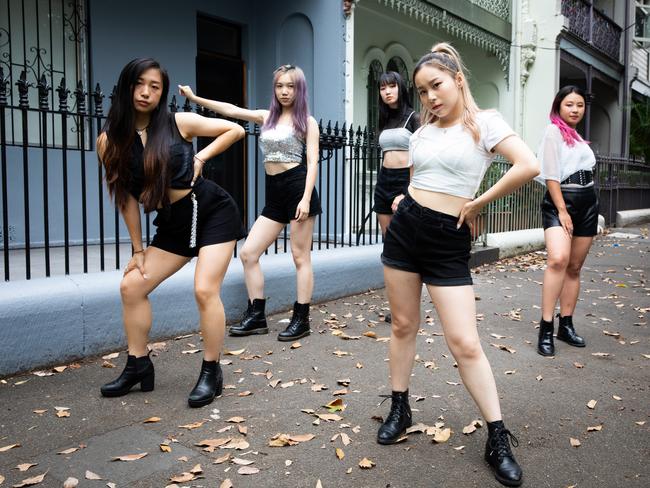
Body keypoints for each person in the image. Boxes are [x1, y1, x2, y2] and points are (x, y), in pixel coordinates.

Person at [378, 44, 539, 487]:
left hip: (448, 238)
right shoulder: (422, 131)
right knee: (403, 326)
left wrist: (479, 202)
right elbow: (416, 180)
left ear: (457, 80)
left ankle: (497, 435)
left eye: (437, 85)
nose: (430, 97)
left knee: (465, 342)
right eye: (423, 90)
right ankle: (400, 406)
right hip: (406, 231)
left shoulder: (486, 123)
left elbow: (528, 165)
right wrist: (402, 200)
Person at [97, 58, 246, 408]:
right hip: (173, 224)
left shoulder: (178, 123)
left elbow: (234, 130)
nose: (147, 92)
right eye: (140, 84)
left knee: (204, 288)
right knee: (132, 285)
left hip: (212, 212)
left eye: (155, 86)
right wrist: (138, 249)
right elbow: (127, 199)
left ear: (162, 92)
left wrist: (201, 158)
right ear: (127, 85)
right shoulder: (109, 142)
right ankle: (138, 365)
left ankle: (211, 371)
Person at [178, 64, 321, 342]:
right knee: (248, 253)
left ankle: (301, 319)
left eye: (290, 86)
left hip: (297, 188)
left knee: (300, 257)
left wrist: (305, 198)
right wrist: (195, 99)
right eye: (280, 85)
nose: (284, 91)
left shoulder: (308, 122)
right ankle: (257, 315)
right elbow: (231, 110)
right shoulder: (265, 117)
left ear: (299, 89)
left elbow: (313, 161)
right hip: (274, 192)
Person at [536, 86, 597, 357]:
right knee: (558, 260)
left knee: (574, 267)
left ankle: (566, 325)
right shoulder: (553, 132)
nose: (575, 109)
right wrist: (561, 210)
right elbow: (550, 174)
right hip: (562, 202)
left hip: (588, 202)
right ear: (559, 106)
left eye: (580, 105)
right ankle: (546, 327)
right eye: (570, 104)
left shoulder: (577, 137)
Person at [373, 71, 420, 324]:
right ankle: (396, 303)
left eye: (392, 86)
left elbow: (421, 159)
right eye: (383, 88)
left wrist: (407, 191)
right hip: (384, 181)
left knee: (404, 243)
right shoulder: (386, 119)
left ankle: (408, 301)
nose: (387, 91)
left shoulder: (414, 118)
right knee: (388, 243)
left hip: (405, 181)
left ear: (401, 88)